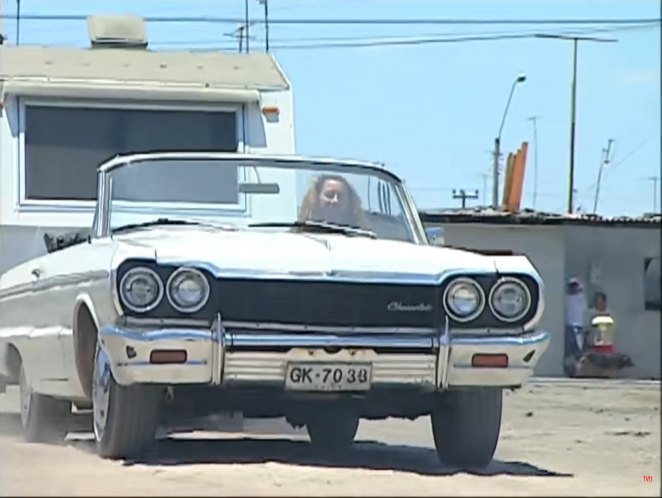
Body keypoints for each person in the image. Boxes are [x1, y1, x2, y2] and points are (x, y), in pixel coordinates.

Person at [297, 174, 367, 229]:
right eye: (329, 195)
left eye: (340, 196)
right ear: (316, 198)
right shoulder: (298, 239)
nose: (335, 200)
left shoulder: (363, 239)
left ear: (349, 202)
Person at [564, 277, 587, 376]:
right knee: (571, 352)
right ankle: (571, 371)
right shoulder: (566, 298)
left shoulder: (581, 298)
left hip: (578, 327)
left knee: (578, 351)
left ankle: (578, 371)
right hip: (570, 326)